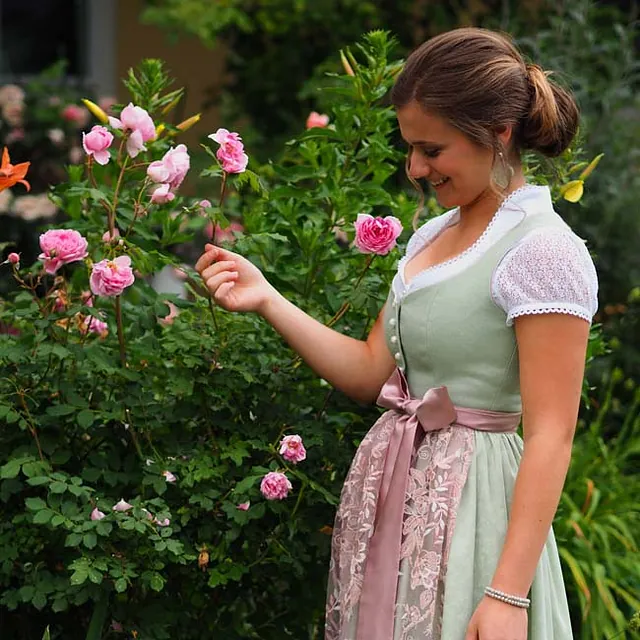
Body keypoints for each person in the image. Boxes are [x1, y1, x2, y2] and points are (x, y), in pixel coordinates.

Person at [195, 27, 598, 640]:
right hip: (395, 501)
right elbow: (370, 371)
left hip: (475, 515)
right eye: (410, 148)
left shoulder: (543, 251)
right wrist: (268, 300)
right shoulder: (431, 239)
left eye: (431, 150)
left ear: (499, 133)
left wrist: (507, 595)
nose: (415, 167)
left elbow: (552, 434)